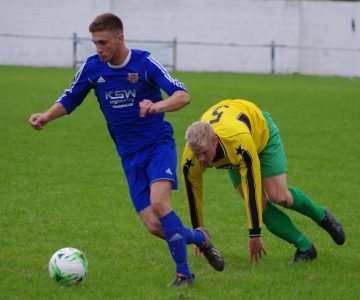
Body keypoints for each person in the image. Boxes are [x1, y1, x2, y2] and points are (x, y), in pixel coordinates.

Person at [28, 13, 224, 286]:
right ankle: (200, 238)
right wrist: (47, 116)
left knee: (160, 203)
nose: (99, 48)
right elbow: (71, 97)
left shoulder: (145, 63)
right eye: (95, 43)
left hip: (157, 146)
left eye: (103, 42)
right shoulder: (93, 68)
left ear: (120, 38)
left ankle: (184, 274)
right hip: (128, 155)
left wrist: (157, 106)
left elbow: (182, 95)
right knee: (155, 226)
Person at [181, 98, 345, 264]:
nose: (200, 159)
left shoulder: (238, 141)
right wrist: (198, 235)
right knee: (261, 207)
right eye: (197, 154)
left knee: (280, 196)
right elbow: (193, 194)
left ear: (215, 140)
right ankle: (305, 248)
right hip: (235, 155)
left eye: (204, 152)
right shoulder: (191, 155)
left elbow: (252, 187)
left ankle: (323, 216)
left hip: (261, 136)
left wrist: (255, 234)